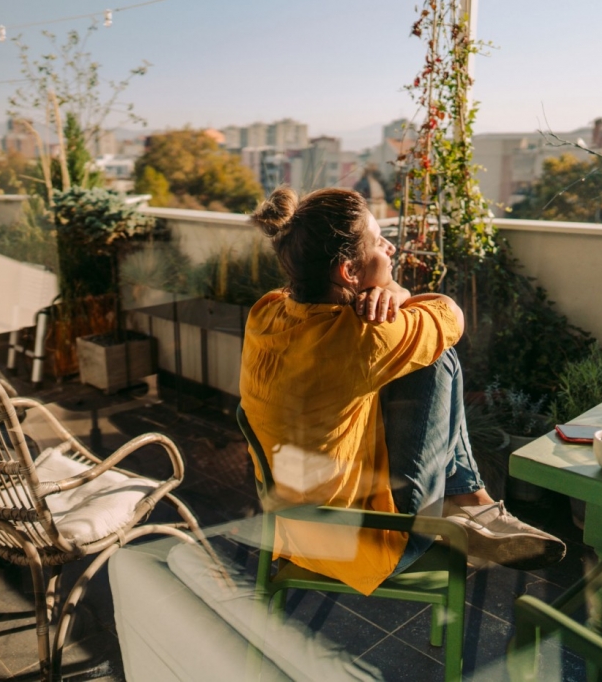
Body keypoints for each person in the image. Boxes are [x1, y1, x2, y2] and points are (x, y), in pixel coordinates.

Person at [239, 186, 565, 596]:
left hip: (290, 531)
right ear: (348, 272)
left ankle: (470, 505)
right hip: (367, 542)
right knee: (437, 358)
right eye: (378, 242)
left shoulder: (266, 311)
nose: (390, 247)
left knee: (411, 359)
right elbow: (451, 317)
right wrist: (396, 294)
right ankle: (468, 504)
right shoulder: (364, 338)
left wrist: (389, 292)